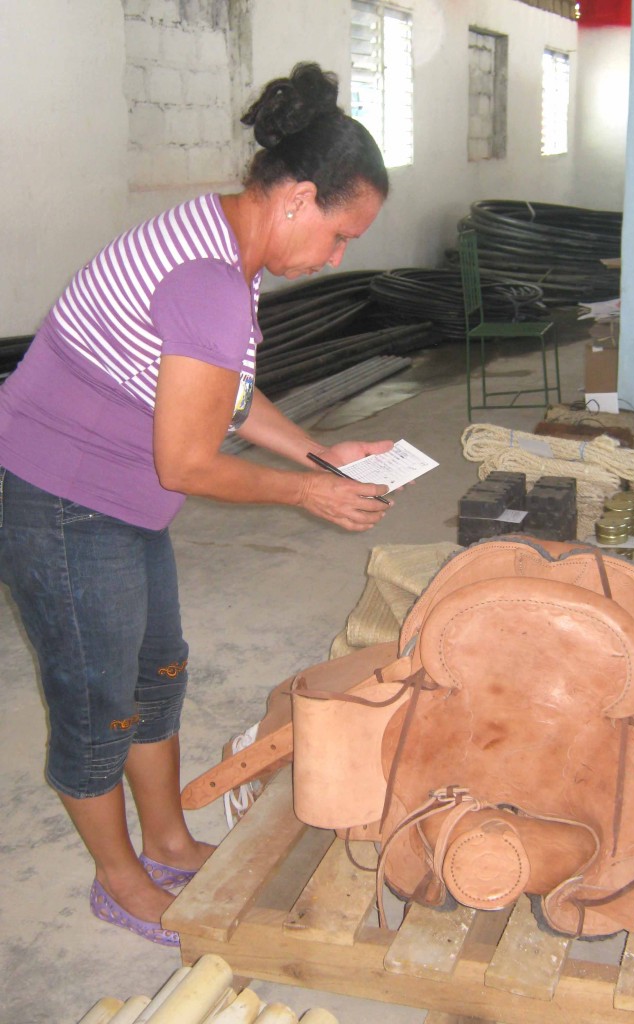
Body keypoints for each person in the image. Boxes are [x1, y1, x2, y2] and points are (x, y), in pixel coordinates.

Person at [0, 62, 393, 946]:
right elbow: (186, 459)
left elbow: (231, 397)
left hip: (118, 500)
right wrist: (307, 494)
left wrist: (320, 451)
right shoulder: (209, 279)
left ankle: (170, 837)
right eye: (338, 236)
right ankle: (121, 880)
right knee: (97, 702)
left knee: (156, 671)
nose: (336, 260)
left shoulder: (226, 243)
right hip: (65, 502)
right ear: (296, 197)